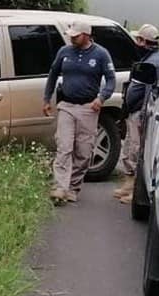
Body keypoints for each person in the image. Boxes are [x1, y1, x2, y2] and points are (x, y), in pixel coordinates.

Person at [43, 21, 116, 205]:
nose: (72, 38)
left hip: (88, 108)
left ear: (86, 35)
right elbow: (52, 74)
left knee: (83, 152)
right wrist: (46, 99)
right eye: (71, 35)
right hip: (67, 105)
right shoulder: (64, 52)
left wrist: (101, 98)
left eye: (75, 35)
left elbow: (110, 80)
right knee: (64, 147)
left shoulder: (101, 54)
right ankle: (60, 186)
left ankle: (73, 187)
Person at [115, 24, 159, 204]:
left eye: (139, 40)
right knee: (130, 147)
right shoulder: (149, 59)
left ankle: (137, 192)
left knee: (138, 151)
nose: (136, 43)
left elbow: (153, 92)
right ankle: (129, 185)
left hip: (142, 112)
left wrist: (141, 112)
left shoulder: (154, 63)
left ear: (145, 42)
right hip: (135, 110)